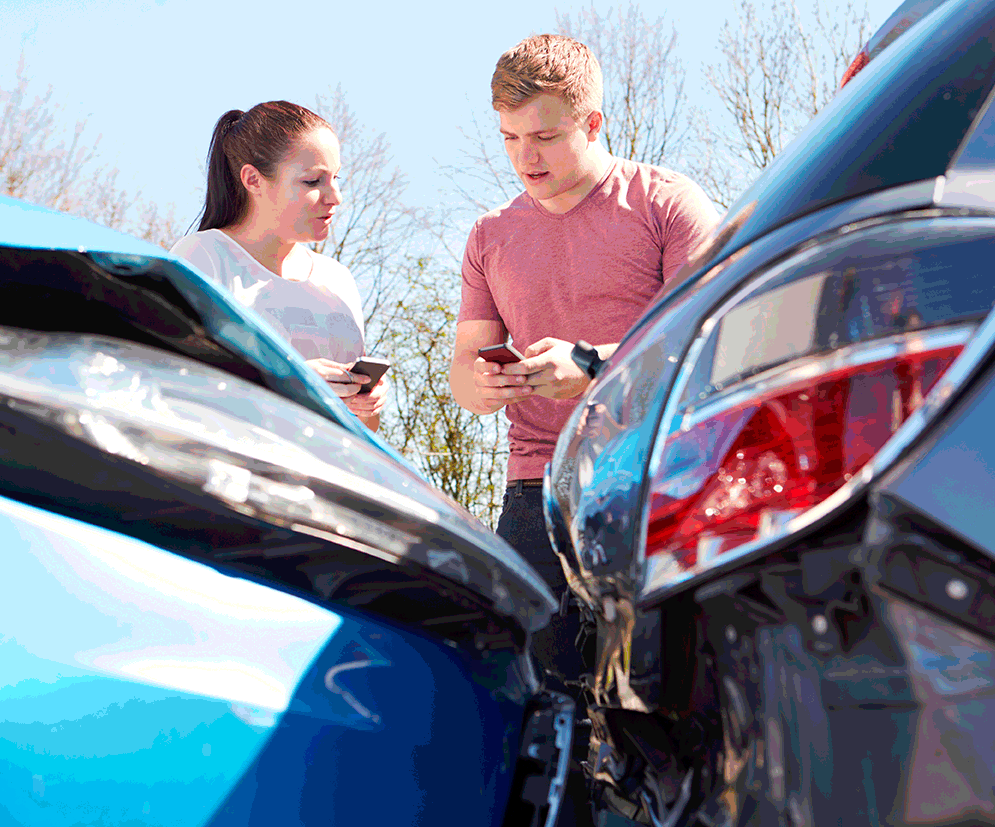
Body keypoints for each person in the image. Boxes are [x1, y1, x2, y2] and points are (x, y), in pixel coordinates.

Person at [449, 33, 718, 822]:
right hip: (534, 498)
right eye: (507, 137)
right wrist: (489, 380)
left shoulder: (667, 203)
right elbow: (464, 381)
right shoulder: (489, 235)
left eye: (542, 135)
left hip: (653, 490)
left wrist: (597, 369)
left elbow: (708, 349)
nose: (523, 156)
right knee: (542, 725)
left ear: (592, 123)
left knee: (664, 718)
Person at [172, 101, 386, 432]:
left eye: (336, 178)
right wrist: (292, 380)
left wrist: (367, 403)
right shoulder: (203, 257)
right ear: (253, 180)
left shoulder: (337, 279)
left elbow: (365, 429)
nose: (335, 196)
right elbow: (178, 392)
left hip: (328, 476)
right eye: (313, 181)